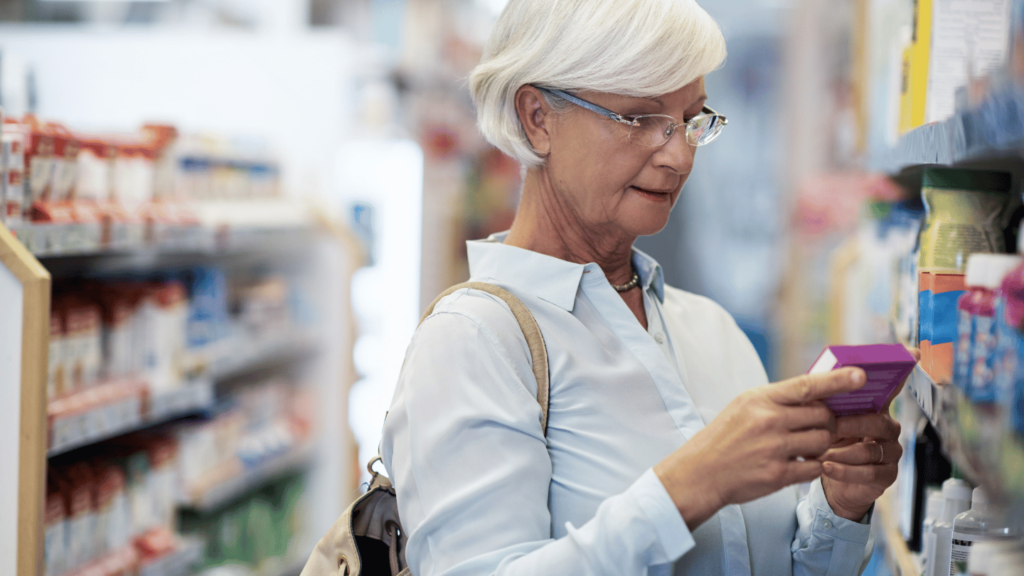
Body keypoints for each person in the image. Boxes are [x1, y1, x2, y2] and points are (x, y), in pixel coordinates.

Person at [380, 1, 908, 574]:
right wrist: (688, 485)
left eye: (691, 119)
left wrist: (839, 508)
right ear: (537, 117)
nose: (679, 155)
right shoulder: (473, 343)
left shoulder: (709, 329)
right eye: (639, 118)